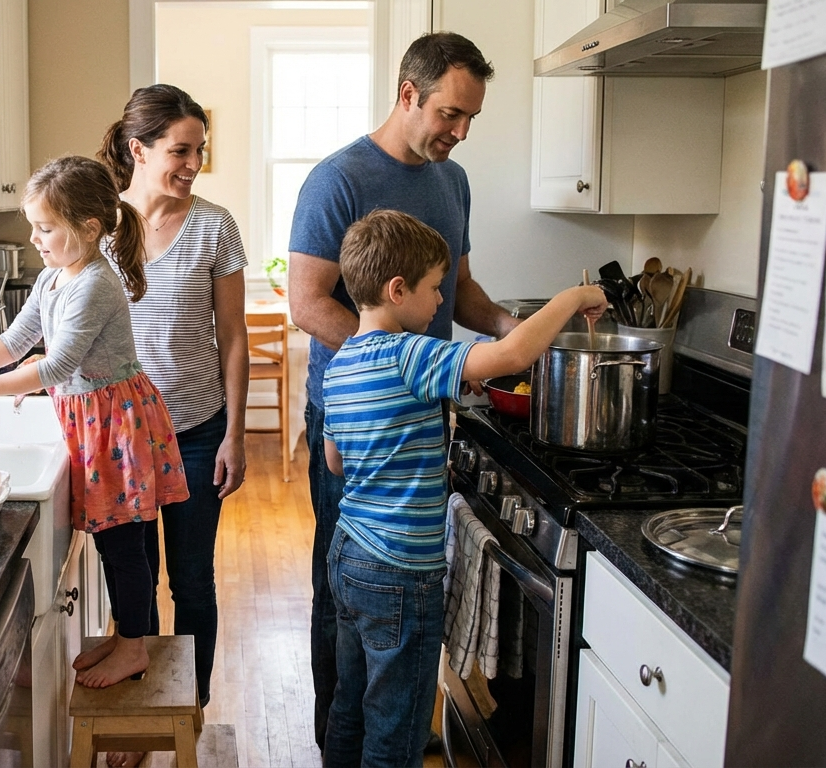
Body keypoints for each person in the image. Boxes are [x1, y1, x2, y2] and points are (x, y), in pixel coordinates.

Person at [286, 30, 520, 747]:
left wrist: (514, 331)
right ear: (408, 93)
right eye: (450, 113)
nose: (460, 132)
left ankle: (386, 730)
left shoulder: (453, 183)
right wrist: (397, 368)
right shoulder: (338, 180)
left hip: (426, 415)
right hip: (356, 421)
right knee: (345, 591)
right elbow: (306, 301)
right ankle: (343, 741)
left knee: (390, 587)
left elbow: (464, 293)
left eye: (471, 118)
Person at [321, 209, 606, 766]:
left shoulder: (341, 362)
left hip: (350, 554)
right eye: (434, 289)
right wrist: (574, 297)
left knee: (351, 705)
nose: (439, 303)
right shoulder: (410, 354)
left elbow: (335, 461)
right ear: (397, 289)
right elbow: (514, 355)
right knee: (398, 724)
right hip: (403, 570)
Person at [0, 155, 189, 688]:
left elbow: (55, 366)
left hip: (115, 425)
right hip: (92, 422)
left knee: (125, 546)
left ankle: (133, 647)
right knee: (112, 544)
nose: (34, 238)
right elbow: (15, 342)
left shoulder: (94, 283)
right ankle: (128, 638)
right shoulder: (54, 277)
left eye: (45, 228)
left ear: (88, 229)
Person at [97, 84, 249, 714]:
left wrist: (236, 435)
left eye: (200, 151)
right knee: (135, 587)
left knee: (191, 582)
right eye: (180, 151)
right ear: (139, 149)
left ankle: (187, 704)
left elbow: (234, 337)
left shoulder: (215, 226)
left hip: (195, 432)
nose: (192, 164)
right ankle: (140, 709)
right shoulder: (97, 226)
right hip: (121, 440)